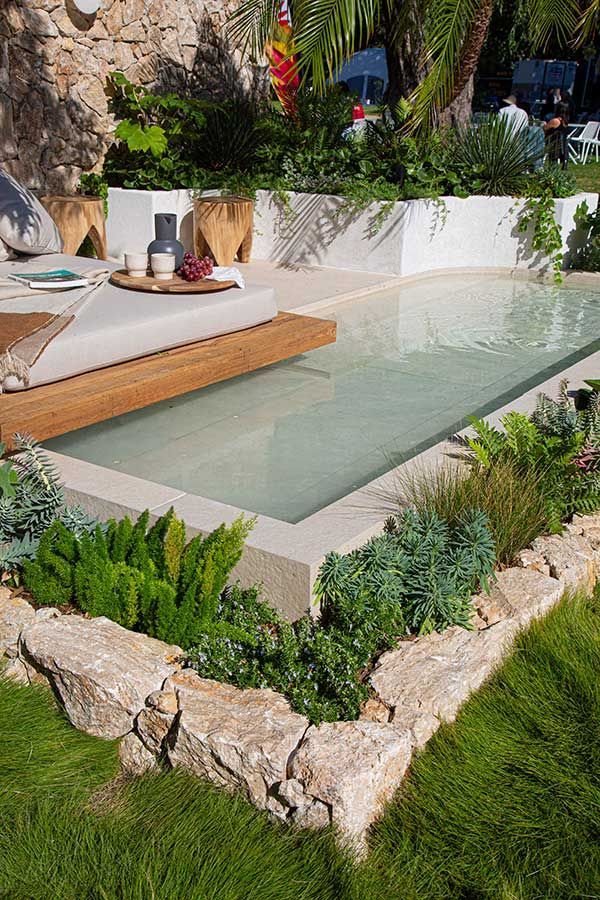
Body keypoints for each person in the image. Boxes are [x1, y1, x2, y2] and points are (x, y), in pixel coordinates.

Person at [543, 101, 570, 168]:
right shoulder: (565, 122)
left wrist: (544, 124)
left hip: (552, 144)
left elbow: (544, 129)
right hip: (561, 145)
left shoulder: (555, 121)